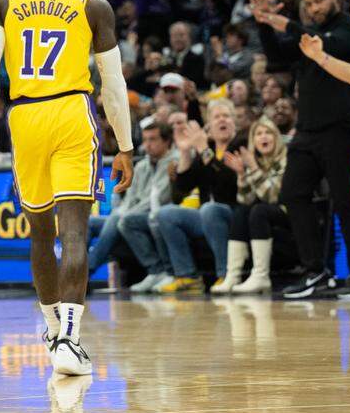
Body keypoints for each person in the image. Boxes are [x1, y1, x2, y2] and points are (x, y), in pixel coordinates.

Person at [0, 0, 135, 377]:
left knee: (40, 233)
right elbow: (113, 84)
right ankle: (69, 341)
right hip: (72, 113)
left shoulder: (2, 0)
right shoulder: (94, 5)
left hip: (24, 118)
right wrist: (125, 146)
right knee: (74, 233)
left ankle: (54, 329)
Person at [250, 0, 350, 300]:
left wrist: (284, 23)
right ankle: (315, 270)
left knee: (345, 200)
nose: (315, 7)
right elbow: (276, 57)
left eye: (320, 0)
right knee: (293, 193)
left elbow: (328, 46)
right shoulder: (309, 34)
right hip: (307, 131)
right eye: (309, 3)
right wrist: (264, 24)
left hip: (342, 128)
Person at [154, 99, 239, 293]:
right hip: (206, 216)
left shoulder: (240, 144)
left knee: (209, 210)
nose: (222, 120)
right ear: (209, 126)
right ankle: (187, 276)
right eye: (216, 117)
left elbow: (227, 185)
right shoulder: (206, 150)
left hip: (234, 213)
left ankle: (226, 274)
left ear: (234, 122)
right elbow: (182, 189)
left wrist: (203, 149)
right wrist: (184, 151)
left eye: (226, 116)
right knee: (166, 214)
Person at [88, 121, 177, 276]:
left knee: (120, 218)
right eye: (145, 139)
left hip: (156, 215)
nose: (147, 144)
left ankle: (86, 270)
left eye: (152, 139)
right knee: (90, 222)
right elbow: (129, 199)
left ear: (166, 141)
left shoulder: (173, 162)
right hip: (131, 215)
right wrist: (124, 212)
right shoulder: (141, 165)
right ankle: (79, 265)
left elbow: (160, 199)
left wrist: (125, 213)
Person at [218, 116, 292, 293]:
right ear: (253, 141)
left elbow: (273, 197)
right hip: (267, 213)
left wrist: (253, 168)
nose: (263, 137)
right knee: (242, 211)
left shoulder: (286, 158)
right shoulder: (256, 162)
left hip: (289, 212)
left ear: (276, 137)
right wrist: (242, 175)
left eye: (268, 133)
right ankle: (233, 275)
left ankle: (261, 275)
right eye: (258, 134)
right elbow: (245, 200)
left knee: (259, 210)